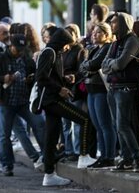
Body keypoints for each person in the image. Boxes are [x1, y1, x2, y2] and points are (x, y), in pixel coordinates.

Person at [37, 28, 96, 186]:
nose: (67, 48)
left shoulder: (53, 52)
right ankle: (83, 156)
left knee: (51, 137)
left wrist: (65, 79)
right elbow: (41, 78)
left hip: (51, 100)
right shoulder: (49, 52)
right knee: (84, 119)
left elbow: (50, 76)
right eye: (67, 45)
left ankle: (49, 175)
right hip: (53, 100)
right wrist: (59, 89)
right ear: (61, 42)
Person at [0, 34, 44, 176]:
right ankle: (7, 165)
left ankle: (44, 155)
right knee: (4, 134)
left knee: (39, 124)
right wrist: (1, 78)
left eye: (22, 48)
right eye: (17, 48)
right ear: (11, 45)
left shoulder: (26, 59)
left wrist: (30, 79)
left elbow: (34, 75)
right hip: (5, 102)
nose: (20, 51)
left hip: (23, 101)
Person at [101, 12, 139, 172]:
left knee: (123, 125)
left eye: (114, 22)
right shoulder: (115, 42)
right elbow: (104, 65)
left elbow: (120, 64)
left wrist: (111, 64)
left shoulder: (132, 40)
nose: (111, 25)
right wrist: (111, 64)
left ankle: (137, 159)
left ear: (122, 23)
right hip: (113, 89)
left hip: (126, 89)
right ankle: (126, 159)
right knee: (117, 125)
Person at [80, 22, 116, 168]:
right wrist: (88, 66)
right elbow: (83, 66)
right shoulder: (94, 49)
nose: (94, 35)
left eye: (98, 32)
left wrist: (88, 66)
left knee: (105, 124)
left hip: (101, 89)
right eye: (93, 32)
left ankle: (110, 156)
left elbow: (95, 64)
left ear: (107, 35)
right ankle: (103, 155)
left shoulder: (107, 47)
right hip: (91, 90)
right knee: (97, 125)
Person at [62, 24, 88, 161]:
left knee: (76, 121)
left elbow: (82, 71)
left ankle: (77, 151)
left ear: (76, 35)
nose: (67, 37)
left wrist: (73, 77)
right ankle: (68, 149)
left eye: (70, 34)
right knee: (65, 123)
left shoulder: (80, 51)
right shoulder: (63, 50)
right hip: (62, 89)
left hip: (75, 90)